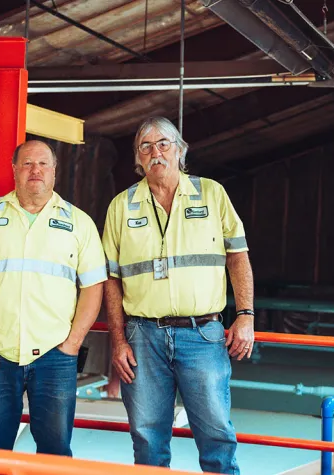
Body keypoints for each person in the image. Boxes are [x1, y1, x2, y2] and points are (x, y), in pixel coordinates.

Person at [102, 116, 255, 474]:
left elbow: (238, 257)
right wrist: (118, 340)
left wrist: (245, 314)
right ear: (138, 159)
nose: (155, 152)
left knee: (216, 433)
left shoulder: (212, 193)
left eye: (163, 144)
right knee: (147, 437)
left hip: (202, 334)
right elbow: (110, 279)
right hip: (142, 337)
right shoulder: (121, 206)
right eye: (146, 146)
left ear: (180, 151)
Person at [0, 140, 106, 461]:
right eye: (28, 163)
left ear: (55, 172)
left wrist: (72, 343)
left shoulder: (79, 223)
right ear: (14, 169)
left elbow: (93, 287)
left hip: (55, 356)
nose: (36, 170)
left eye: (43, 164)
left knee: (55, 454)